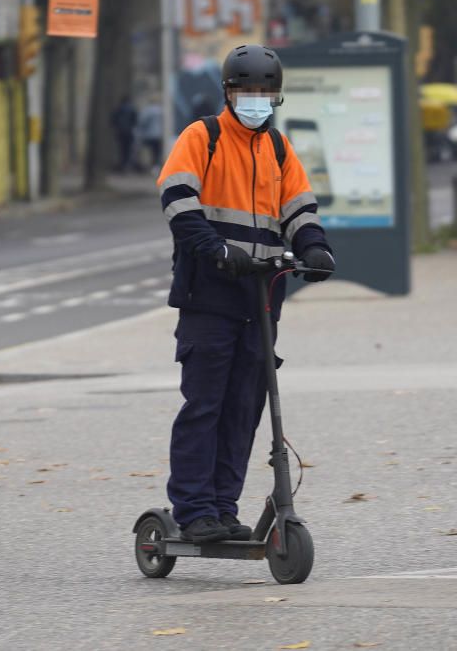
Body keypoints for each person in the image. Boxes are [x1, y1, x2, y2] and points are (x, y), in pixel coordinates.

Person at [156, 44, 335, 543]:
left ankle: (223, 507)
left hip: (261, 297)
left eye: (265, 92)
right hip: (209, 295)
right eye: (247, 91)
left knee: (243, 406)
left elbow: (299, 207)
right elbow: (176, 197)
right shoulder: (203, 137)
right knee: (205, 404)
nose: (256, 100)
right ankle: (193, 510)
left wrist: (315, 248)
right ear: (229, 93)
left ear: (276, 97)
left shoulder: (278, 148)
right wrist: (214, 248)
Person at [111, 95, 138, 172]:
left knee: (121, 149)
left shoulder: (118, 109)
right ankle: (127, 165)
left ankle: (122, 165)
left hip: (120, 132)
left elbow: (113, 120)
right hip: (129, 132)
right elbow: (135, 120)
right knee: (128, 150)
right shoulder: (132, 109)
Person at [136, 99, 163, 173]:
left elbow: (142, 122)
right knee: (156, 152)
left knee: (149, 151)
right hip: (159, 134)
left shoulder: (147, 111)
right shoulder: (160, 110)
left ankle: (149, 166)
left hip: (149, 134)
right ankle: (156, 167)